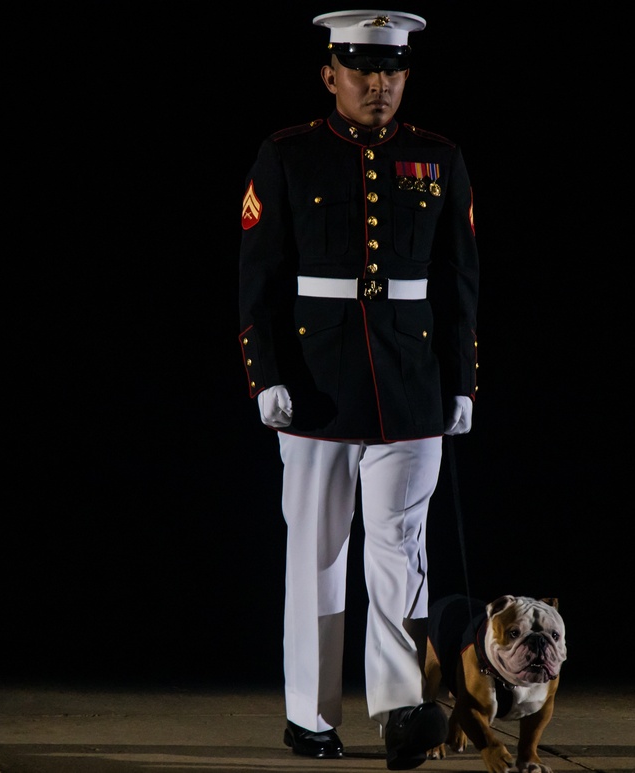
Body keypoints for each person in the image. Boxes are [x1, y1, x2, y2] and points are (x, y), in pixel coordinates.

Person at [237, 9, 479, 770]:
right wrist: (266, 374)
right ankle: (309, 714)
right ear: (330, 74)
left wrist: (462, 381)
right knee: (315, 551)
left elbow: (460, 280)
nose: (379, 84)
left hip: (410, 382)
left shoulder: (438, 157)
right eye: (363, 69)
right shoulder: (287, 155)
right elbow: (259, 279)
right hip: (316, 382)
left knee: (401, 552)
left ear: (406, 75)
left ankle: (402, 709)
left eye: (392, 71)